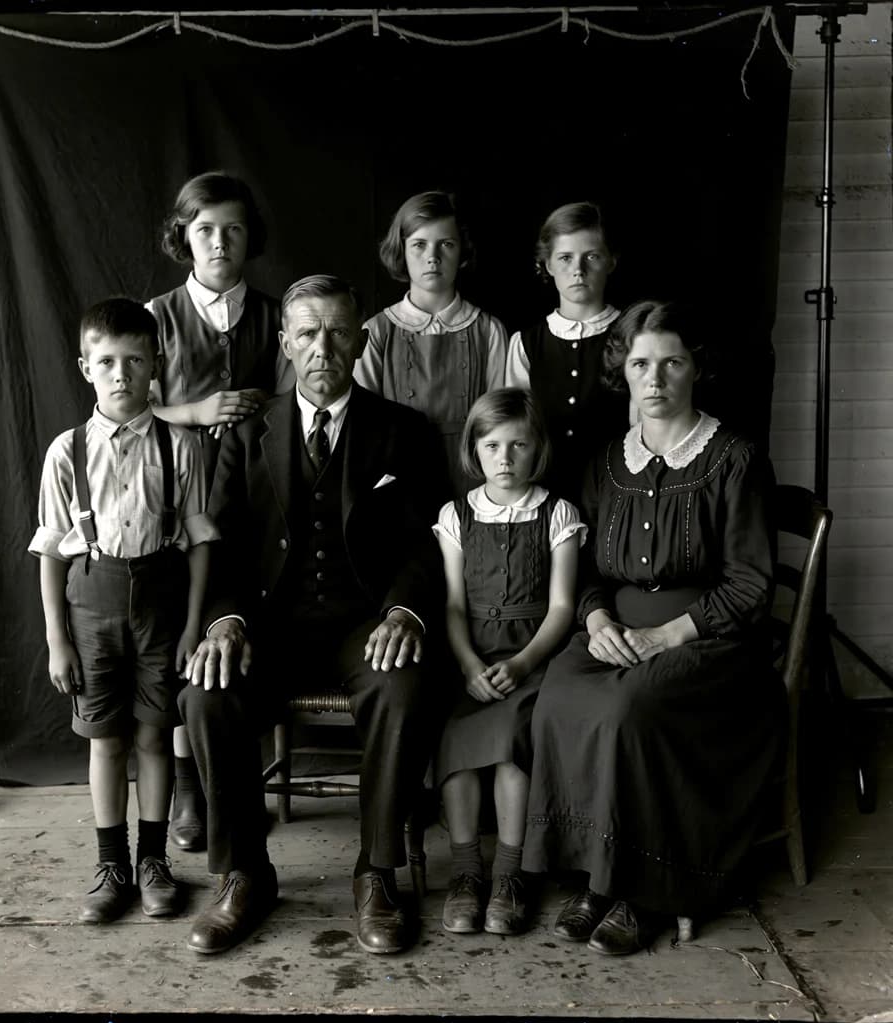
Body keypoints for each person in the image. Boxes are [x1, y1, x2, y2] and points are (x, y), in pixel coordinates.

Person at [179, 274, 448, 957]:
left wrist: (406, 612)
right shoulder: (246, 435)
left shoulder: (404, 430)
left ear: (359, 339)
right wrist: (224, 621)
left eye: (335, 331)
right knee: (206, 693)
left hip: (365, 624)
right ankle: (245, 874)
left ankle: (377, 872)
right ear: (285, 344)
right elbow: (226, 545)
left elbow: (425, 541)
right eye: (307, 333)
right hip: (270, 624)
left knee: (405, 684)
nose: (322, 346)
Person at [523, 300, 785, 955]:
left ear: (697, 369)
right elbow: (580, 562)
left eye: (673, 361)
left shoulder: (734, 458)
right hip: (619, 630)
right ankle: (598, 878)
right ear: (624, 373)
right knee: (559, 692)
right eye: (641, 363)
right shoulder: (609, 462)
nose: (657, 377)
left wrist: (667, 637)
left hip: (712, 642)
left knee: (631, 709)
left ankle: (646, 891)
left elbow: (752, 584)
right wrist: (597, 617)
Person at [28, 298, 215, 923]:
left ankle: (154, 861)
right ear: (85, 367)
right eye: (106, 361)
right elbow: (51, 552)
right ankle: (112, 867)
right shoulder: (66, 452)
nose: (121, 374)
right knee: (106, 741)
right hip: (92, 608)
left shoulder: (180, 446)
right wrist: (58, 641)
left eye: (135, 360)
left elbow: (199, 544)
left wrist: (193, 627)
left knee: (154, 735)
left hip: (162, 606)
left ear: (155, 362)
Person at [147, 171, 294, 853]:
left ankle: (243, 779)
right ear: (185, 236)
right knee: (184, 630)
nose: (218, 242)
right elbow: (131, 406)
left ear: (249, 239)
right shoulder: (159, 315)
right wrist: (196, 411)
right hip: (178, 499)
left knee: (243, 626)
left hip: (258, 499)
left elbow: (298, 403)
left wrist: (260, 410)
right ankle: (186, 785)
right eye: (204, 229)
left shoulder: (274, 314)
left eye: (232, 229)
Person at [434, 388, 584, 937]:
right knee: (456, 746)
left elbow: (564, 607)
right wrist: (470, 665)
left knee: (512, 750)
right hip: (472, 654)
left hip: (533, 652)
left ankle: (508, 874)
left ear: (536, 449)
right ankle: (466, 872)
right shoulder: (456, 516)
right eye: (492, 445)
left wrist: (521, 664)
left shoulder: (556, 512)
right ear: (474, 450)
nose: (504, 458)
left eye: (518, 445)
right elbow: (452, 605)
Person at [355, 190, 507, 499]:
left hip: (473, 477)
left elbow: (501, 421)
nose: (432, 257)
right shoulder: (377, 332)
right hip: (400, 477)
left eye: (446, 245)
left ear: (462, 250)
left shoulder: (489, 331)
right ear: (402, 250)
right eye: (419, 245)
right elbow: (363, 422)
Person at [505, 201, 628, 502]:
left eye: (592, 256)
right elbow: (516, 428)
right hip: (547, 493)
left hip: (620, 491)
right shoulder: (526, 343)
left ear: (611, 260)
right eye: (565, 258)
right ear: (548, 264)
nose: (578, 270)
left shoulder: (632, 334)